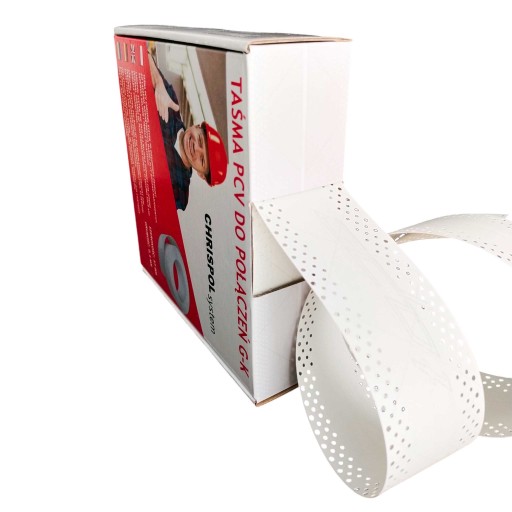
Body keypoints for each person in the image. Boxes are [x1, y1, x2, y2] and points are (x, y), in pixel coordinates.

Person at [148, 51, 228, 211]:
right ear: (197, 126)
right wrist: (158, 83)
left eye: (202, 159)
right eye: (200, 140)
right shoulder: (172, 103)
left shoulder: (180, 193)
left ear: (201, 174)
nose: (196, 148)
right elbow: (143, 53)